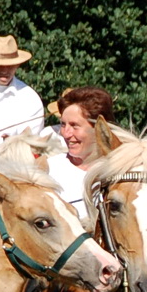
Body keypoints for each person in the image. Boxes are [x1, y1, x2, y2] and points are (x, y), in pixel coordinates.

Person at [44, 87, 116, 216]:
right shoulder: (48, 169)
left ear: (98, 128)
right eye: (63, 124)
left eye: (74, 125)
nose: (66, 133)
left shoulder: (118, 172)